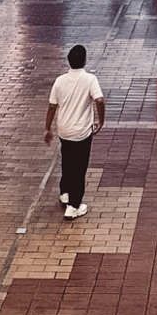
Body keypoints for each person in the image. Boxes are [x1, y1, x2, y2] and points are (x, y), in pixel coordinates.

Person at [44, 44, 105, 219]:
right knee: (79, 167)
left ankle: (65, 193)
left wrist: (48, 128)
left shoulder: (60, 81)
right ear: (84, 60)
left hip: (64, 130)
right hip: (81, 132)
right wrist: (101, 121)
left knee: (67, 161)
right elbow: (99, 100)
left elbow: (51, 107)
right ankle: (74, 206)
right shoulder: (89, 79)